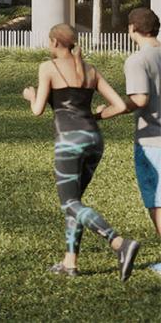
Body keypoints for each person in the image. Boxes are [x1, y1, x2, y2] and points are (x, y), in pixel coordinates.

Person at [23, 23, 143, 279]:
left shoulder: (48, 67)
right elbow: (121, 104)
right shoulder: (90, 69)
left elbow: (38, 110)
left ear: (55, 42)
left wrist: (30, 95)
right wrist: (99, 114)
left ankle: (120, 244)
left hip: (69, 142)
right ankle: (70, 263)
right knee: (75, 203)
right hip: (94, 140)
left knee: (69, 202)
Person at [104, 7, 161, 277]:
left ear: (131, 29)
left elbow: (139, 100)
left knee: (158, 202)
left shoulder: (137, 60)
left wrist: (102, 113)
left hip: (153, 141)